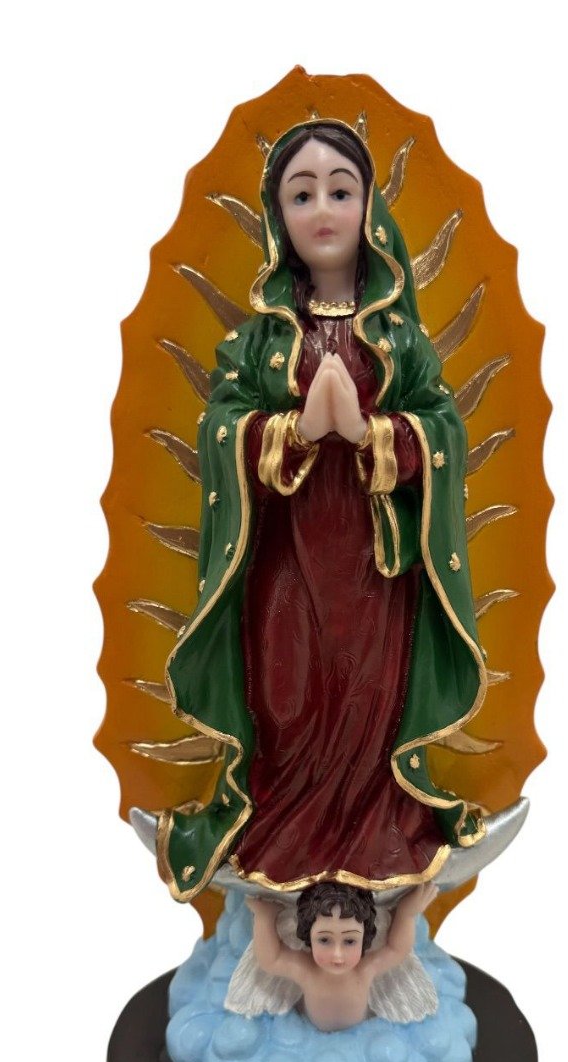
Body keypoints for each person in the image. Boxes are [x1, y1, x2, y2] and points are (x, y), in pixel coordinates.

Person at [158, 119, 487, 903]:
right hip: (286, 554)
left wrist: (376, 436)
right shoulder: (260, 341)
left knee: (368, 693)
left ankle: (374, 834)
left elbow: (444, 426)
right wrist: (294, 433)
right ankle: (280, 838)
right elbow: (220, 427)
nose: (323, 211)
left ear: (370, 208)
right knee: (288, 690)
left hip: (376, 568)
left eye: (341, 190)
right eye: (301, 195)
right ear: (278, 218)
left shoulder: (399, 340)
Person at [248, 883, 439, 1032]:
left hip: (361, 1036)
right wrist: (264, 917)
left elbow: (396, 950)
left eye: (349, 941)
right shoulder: (307, 972)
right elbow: (271, 960)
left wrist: (406, 915)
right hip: (311, 1036)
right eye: (324, 940)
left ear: (365, 939)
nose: (337, 955)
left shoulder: (364, 971)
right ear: (308, 936)